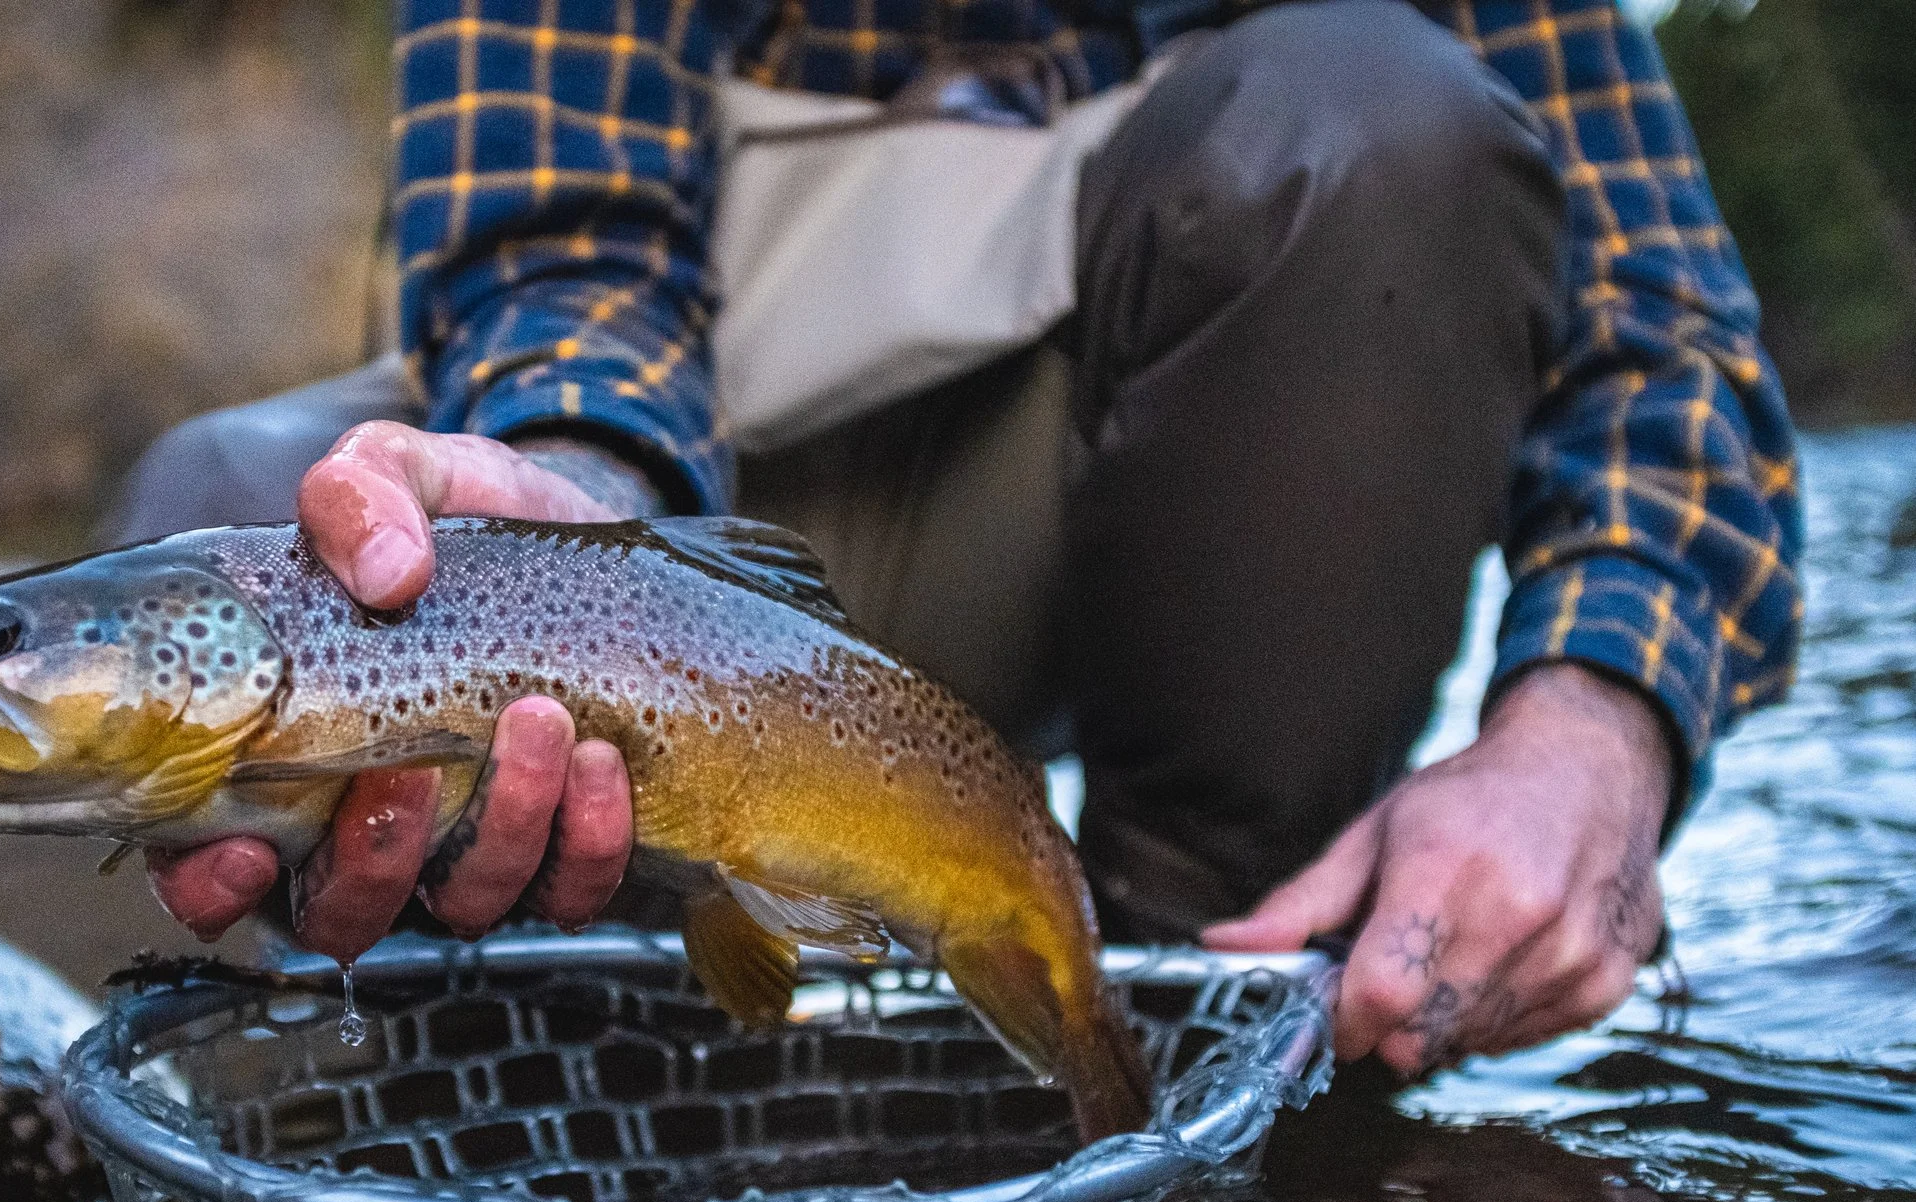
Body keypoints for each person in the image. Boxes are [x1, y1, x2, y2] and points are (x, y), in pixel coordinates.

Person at [117, 0, 1800, 1078]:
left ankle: (1177, 1008)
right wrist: (571, 527)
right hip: (695, 514)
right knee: (224, 509)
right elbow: (561, 255)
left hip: (1184, 493)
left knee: (1370, 118)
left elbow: (1657, 321)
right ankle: (548, 1044)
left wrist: (1599, 723)